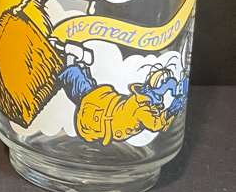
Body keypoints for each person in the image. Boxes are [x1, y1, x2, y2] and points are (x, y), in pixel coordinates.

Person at [57, 50, 188, 145]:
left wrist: (172, 108)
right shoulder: (142, 108)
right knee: (84, 85)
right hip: (98, 107)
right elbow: (156, 124)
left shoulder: (141, 106)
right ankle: (71, 65)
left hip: (97, 110)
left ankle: (69, 66)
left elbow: (156, 123)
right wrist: (172, 109)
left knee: (81, 82)